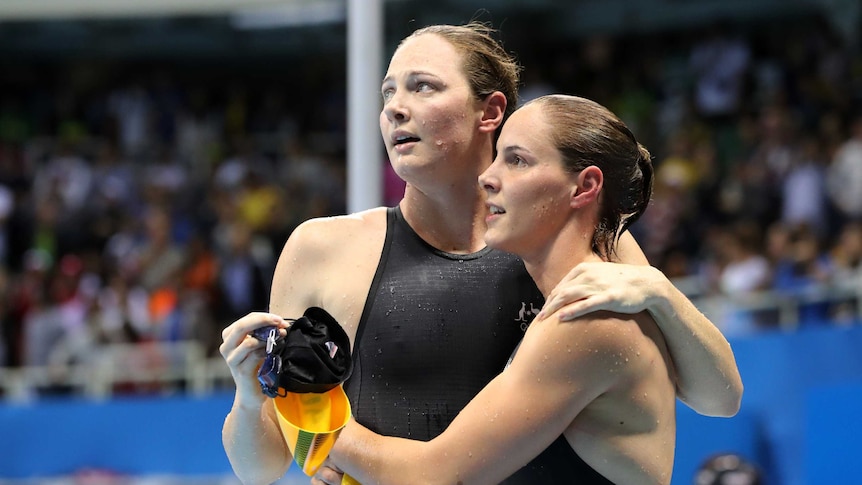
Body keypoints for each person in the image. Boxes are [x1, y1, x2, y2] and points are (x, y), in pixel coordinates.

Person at [220, 22, 742, 485]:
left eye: (422, 86)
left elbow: (720, 399)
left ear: (490, 111)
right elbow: (260, 468)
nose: (395, 108)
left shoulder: (568, 244)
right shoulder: (323, 251)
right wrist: (251, 398)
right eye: (388, 93)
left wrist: (659, 292)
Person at [320, 93, 674, 484]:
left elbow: (435, 476)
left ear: (584, 187)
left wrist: (320, 422)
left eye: (517, 161)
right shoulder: (577, 301)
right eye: (498, 157)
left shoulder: (588, 321)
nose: (487, 177)